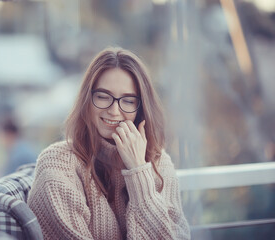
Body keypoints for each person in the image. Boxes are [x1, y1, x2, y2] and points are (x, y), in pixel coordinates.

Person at [27, 47, 190, 239]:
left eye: (128, 101)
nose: (114, 111)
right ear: (87, 100)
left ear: (141, 109)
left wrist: (138, 171)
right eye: (103, 97)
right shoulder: (57, 163)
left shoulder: (158, 162)